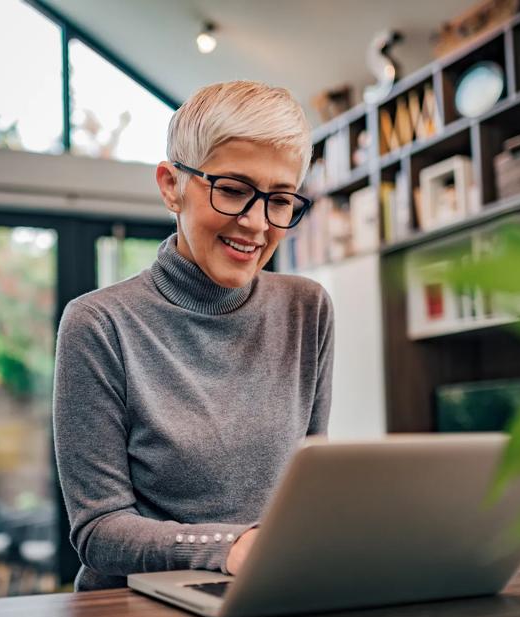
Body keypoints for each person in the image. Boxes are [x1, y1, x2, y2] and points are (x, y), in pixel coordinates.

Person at [53, 80, 335, 591]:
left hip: (265, 597)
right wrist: (230, 548)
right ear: (171, 186)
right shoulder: (98, 324)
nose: (255, 224)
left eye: (279, 200)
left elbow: (309, 491)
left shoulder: (306, 309)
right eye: (232, 190)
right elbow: (99, 531)